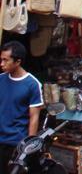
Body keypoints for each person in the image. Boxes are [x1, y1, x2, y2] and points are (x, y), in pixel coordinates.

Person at [0, 41, 44, 171]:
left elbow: (34, 118)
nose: (1, 64)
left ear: (18, 61)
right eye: (1, 59)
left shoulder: (32, 84)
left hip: (16, 144)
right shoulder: (1, 79)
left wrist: (29, 148)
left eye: (5, 60)